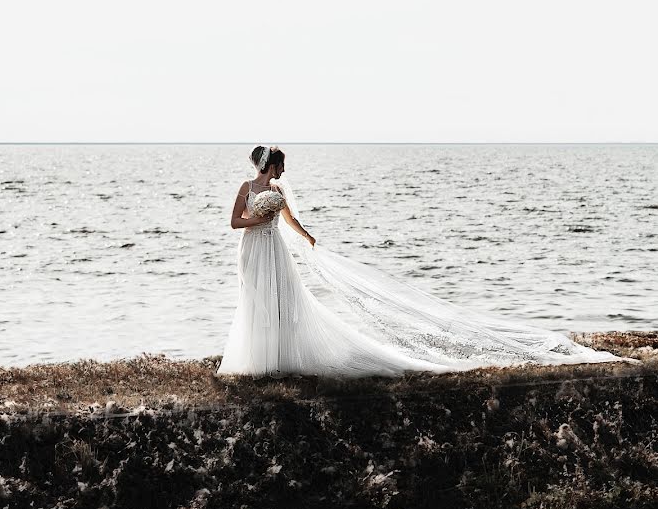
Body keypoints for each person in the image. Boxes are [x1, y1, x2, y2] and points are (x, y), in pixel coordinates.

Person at [215, 145, 633, 378]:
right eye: (281, 165)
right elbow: (236, 222)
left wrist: (305, 237)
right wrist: (258, 218)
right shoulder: (247, 188)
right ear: (270, 165)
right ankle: (259, 360)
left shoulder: (281, 192)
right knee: (256, 303)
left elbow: (291, 219)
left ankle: (282, 359)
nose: (284, 171)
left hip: (276, 249)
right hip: (254, 248)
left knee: (284, 302)